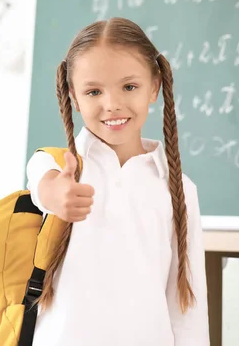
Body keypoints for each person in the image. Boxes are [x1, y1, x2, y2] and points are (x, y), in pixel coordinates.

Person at [26, 17, 210, 345]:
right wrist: (56, 193)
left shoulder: (180, 190)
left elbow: (187, 312)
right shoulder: (55, 166)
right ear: (74, 96)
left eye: (129, 86)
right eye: (94, 91)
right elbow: (44, 186)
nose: (112, 104)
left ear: (154, 87)